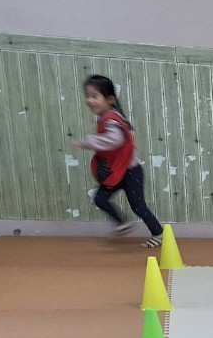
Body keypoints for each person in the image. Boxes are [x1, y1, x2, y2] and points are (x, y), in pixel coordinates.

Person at [70, 75, 163, 248]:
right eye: (87, 96)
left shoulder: (112, 119)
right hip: (116, 171)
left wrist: (87, 142)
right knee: (100, 198)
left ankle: (158, 233)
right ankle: (122, 224)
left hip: (130, 172)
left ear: (110, 99)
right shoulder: (106, 117)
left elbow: (115, 139)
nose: (89, 100)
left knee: (138, 205)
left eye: (94, 96)